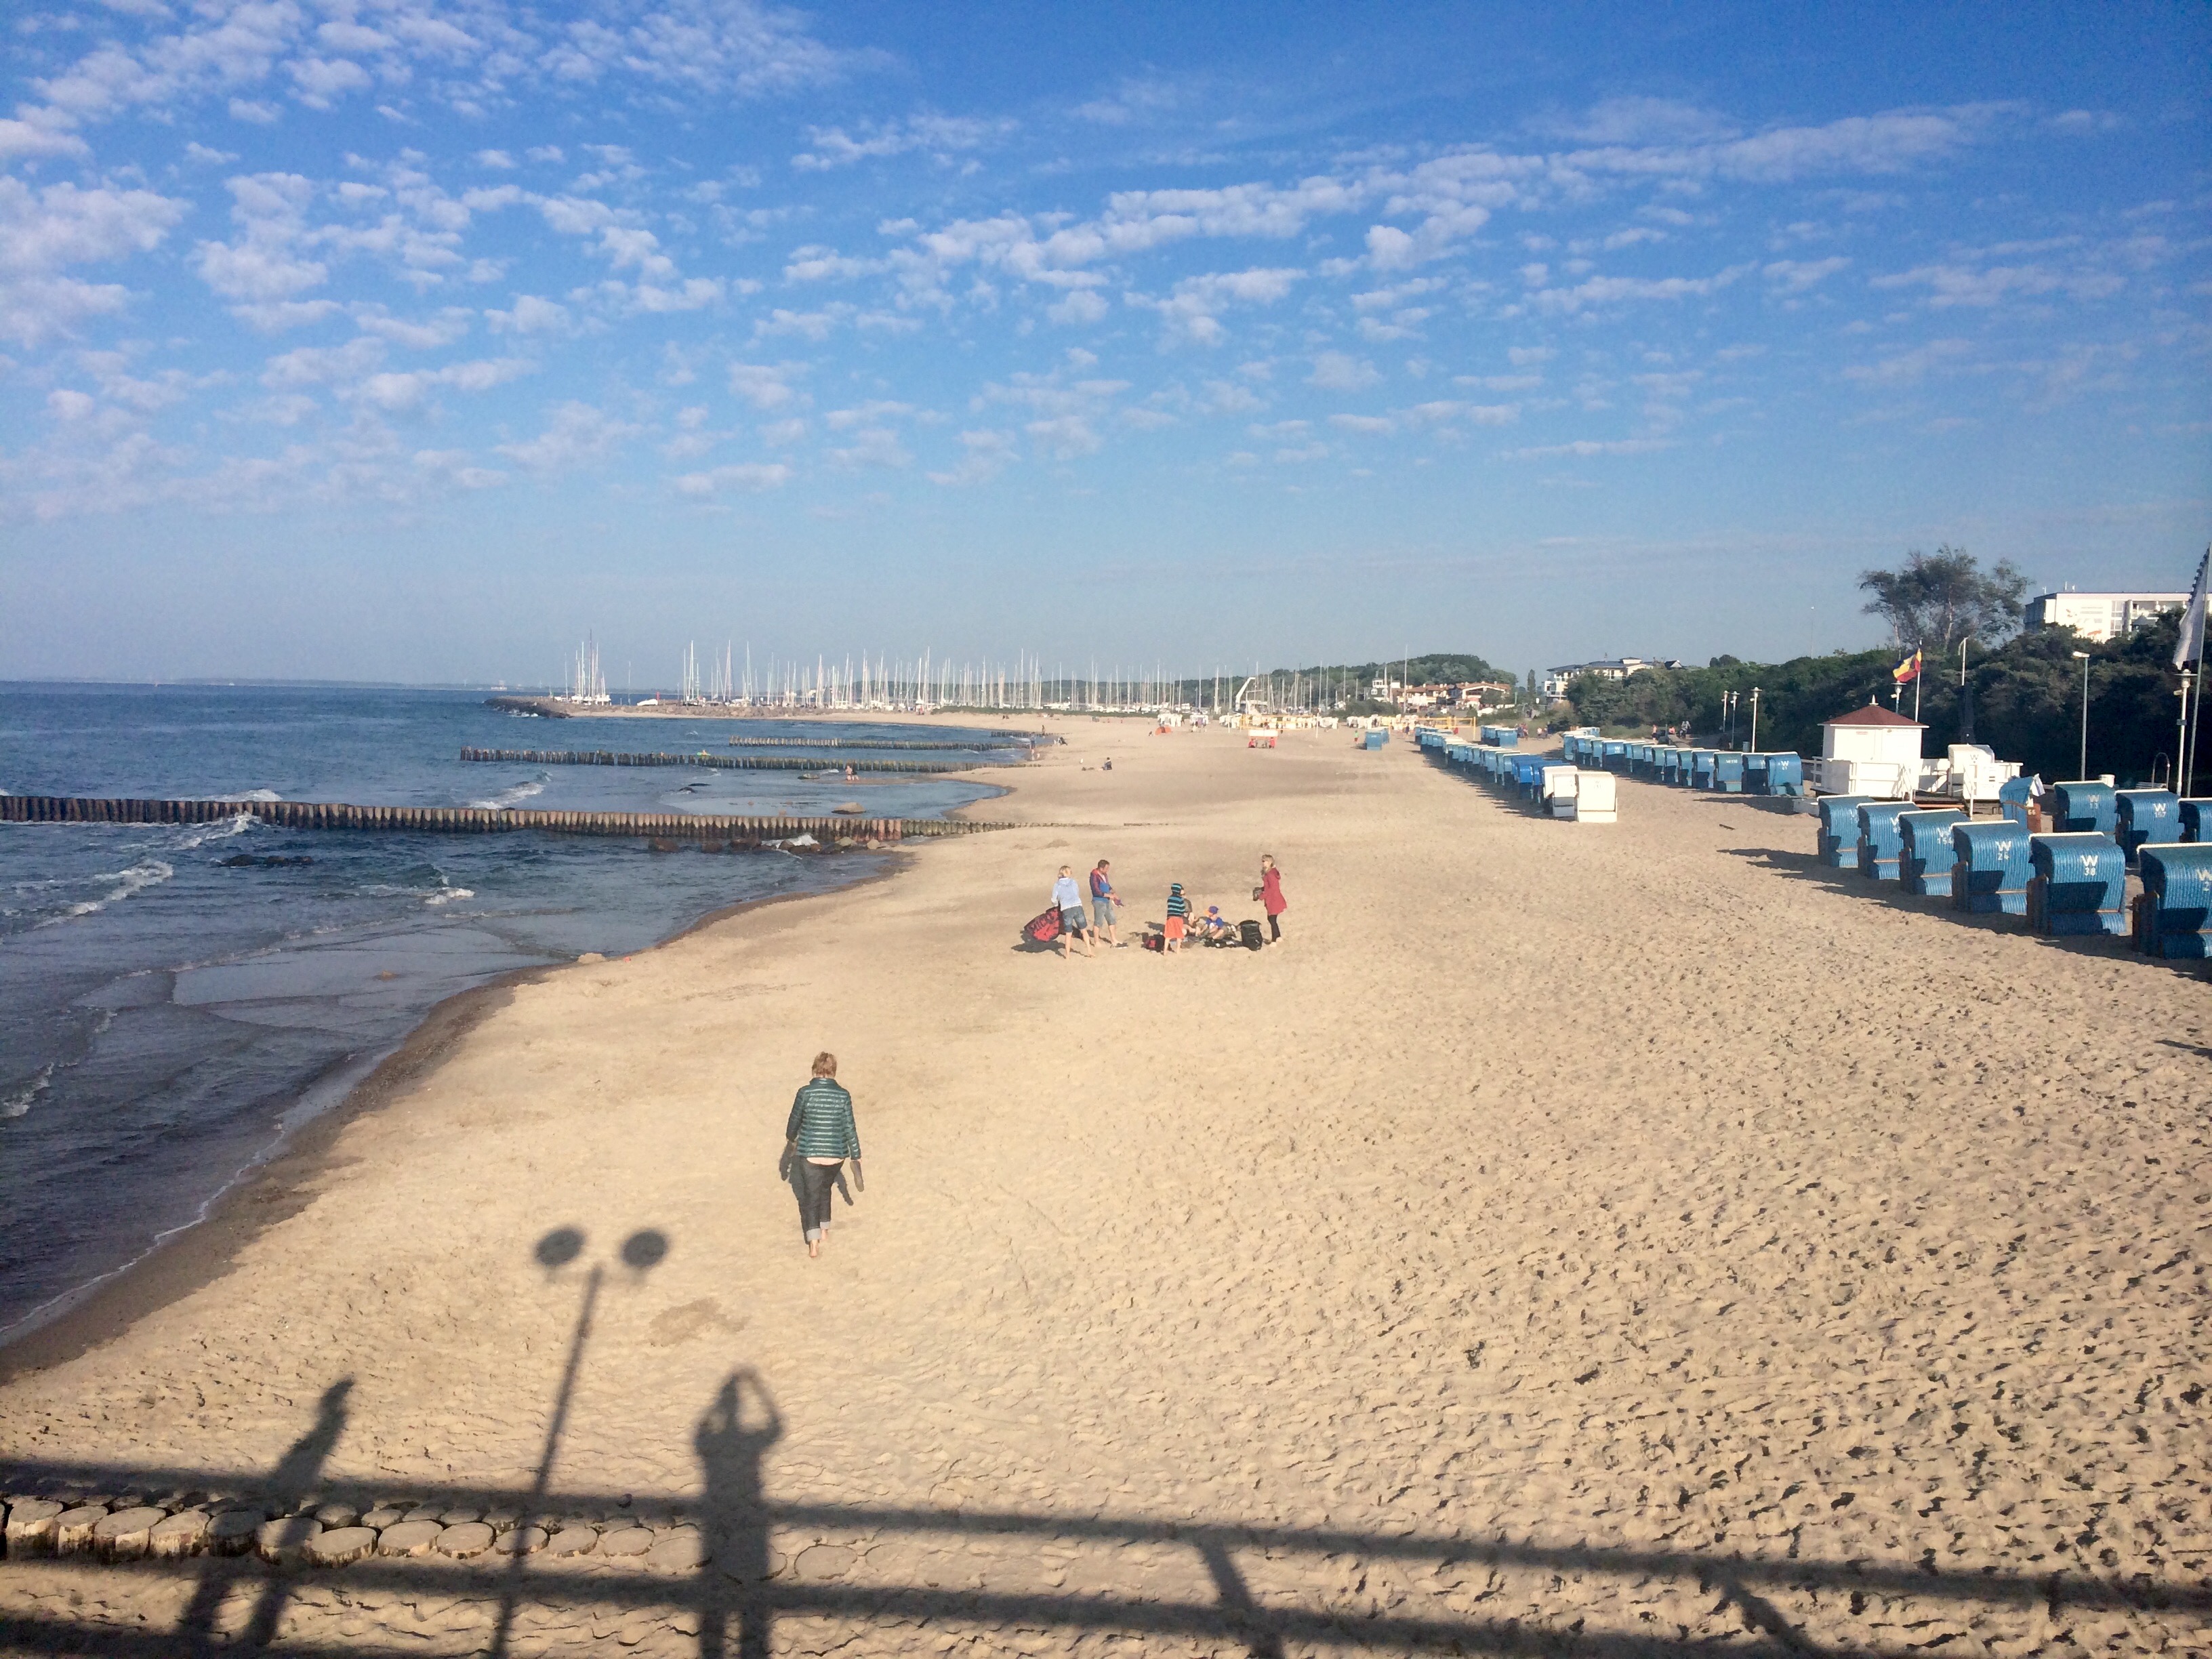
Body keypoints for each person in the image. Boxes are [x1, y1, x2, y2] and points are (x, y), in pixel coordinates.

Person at [783, 1052, 861, 1259]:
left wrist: (791, 1138)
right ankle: (825, 1229)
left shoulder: (805, 1093)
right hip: (837, 1155)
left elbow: (793, 1123)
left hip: (811, 1153)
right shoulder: (844, 1095)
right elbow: (850, 1128)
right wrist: (856, 1154)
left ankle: (814, 1244)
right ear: (834, 1071)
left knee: (811, 1197)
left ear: (814, 1069)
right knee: (826, 1188)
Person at [1051, 865, 1094, 959]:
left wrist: (1056, 906)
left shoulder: (1057, 885)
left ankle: (1067, 955)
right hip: (1077, 906)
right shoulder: (1073, 882)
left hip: (1066, 908)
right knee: (1084, 930)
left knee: (1068, 933)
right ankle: (1089, 951)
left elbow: (1054, 899)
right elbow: (1076, 893)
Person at [1089, 859, 1124, 947]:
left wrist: (1113, 893)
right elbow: (1096, 891)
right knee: (1098, 921)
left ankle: (1114, 939)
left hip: (1107, 901)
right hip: (1099, 901)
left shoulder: (1104, 875)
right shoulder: (1094, 876)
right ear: (1101, 868)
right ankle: (1096, 941)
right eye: (1106, 868)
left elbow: (1107, 885)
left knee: (1112, 919)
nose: (1107, 870)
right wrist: (1109, 895)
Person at [1254, 854, 1287, 947]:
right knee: (1273, 918)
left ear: (1269, 862)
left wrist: (1262, 896)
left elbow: (1271, 889)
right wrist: (1262, 889)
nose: (1263, 863)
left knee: (1272, 919)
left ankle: (1274, 940)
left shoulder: (1270, 875)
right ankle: (1278, 936)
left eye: (1264, 861)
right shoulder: (1273, 872)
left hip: (1273, 899)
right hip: (1275, 897)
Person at [1164, 881, 1190, 953]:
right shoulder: (1180, 899)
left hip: (1170, 918)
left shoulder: (1170, 898)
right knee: (1179, 935)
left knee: (1168, 935)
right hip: (1178, 918)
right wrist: (1183, 913)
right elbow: (1182, 909)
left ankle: (1165, 951)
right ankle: (1178, 950)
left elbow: (1169, 907)